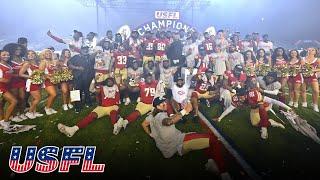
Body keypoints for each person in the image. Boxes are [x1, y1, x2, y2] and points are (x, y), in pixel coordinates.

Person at [141, 97, 231, 179]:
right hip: (177, 144)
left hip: (167, 148)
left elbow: (144, 124)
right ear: (157, 106)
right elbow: (168, 122)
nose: (165, 103)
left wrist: (151, 135)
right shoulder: (160, 116)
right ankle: (224, 173)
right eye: (162, 103)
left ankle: (211, 162)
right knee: (213, 139)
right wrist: (184, 111)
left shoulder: (152, 115)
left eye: (165, 101)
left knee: (200, 136)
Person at [57, 77, 125, 137]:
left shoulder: (116, 87)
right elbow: (91, 90)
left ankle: (115, 126)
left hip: (113, 106)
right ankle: (73, 129)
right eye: (108, 81)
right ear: (105, 82)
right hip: (102, 107)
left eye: (111, 81)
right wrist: (93, 81)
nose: (110, 82)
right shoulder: (102, 88)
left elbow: (124, 87)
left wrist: (123, 81)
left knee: (113, 113)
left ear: (113, 82)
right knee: (92, 115)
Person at [3, 43, 27, 121]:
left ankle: (22, 113)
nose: (18, 51)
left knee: (22, 98)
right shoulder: (8, 60)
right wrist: (17, 74)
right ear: (12, 49)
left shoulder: (23, 59)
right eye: (17, 49)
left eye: (20, 49)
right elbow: (7, 73)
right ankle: (14, 115)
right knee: (15, 98)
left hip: (22, 81)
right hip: (12, 82)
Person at [67, 46, 96, 113]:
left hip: (88, 77)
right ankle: (77, 107)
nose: (85, 50)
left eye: (86, 49)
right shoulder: (76, 57)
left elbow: (92, 65)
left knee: (86, 90)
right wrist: (77, 68)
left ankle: (88, 103)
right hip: (77, 77)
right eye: (84, 49)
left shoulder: (90, 57)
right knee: (76, 91)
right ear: (81, 50)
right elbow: (69, 64)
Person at [19, 50, 44, 119]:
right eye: (29, 54)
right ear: (27, 56)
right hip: (31, 83)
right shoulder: (27, 63)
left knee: (34, 98)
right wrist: (31, 76)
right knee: (38, 98)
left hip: (38, 82)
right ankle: (29, 112)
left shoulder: (37, 63)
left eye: (32, 54)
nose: (31, 55)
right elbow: (20, 74)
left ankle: (34, 112)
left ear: (35, 55)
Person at [0, 50, 17, 130]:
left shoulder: (8, 65)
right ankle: (6, 121)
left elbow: (10, 75)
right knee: (14, 101)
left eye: (8, 54)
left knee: (1, 105)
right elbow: (3, 80)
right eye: (4, 55)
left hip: (6, 87)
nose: (6, 56)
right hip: (1, 87)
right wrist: (8, 76)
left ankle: (2, 120)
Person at [39, 49, 58, 115]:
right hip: (47, 80)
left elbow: (54, 71)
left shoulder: (52, 61)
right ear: (43, 55)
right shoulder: (43, 62)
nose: (48, 55)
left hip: (53, 79)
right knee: (53, 94)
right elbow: (41, 73)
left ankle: (49, 107)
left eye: (50, 53)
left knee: (53, 95)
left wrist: (55, 72)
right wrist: (49, 77)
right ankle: (46, 108)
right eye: (46, 54)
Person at [300, 47, 320, 112]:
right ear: (307, 51)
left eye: (312, 50)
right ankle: (304, 102)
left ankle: (315, 105)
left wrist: (313, 70)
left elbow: (319, 68)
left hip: (312, 76)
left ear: (315, 52)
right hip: (303, 76)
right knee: (303, 90)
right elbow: (301, 68)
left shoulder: (317, 59)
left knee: (316, 91)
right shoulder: (302, 59)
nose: (310, 51)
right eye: (309, 50)